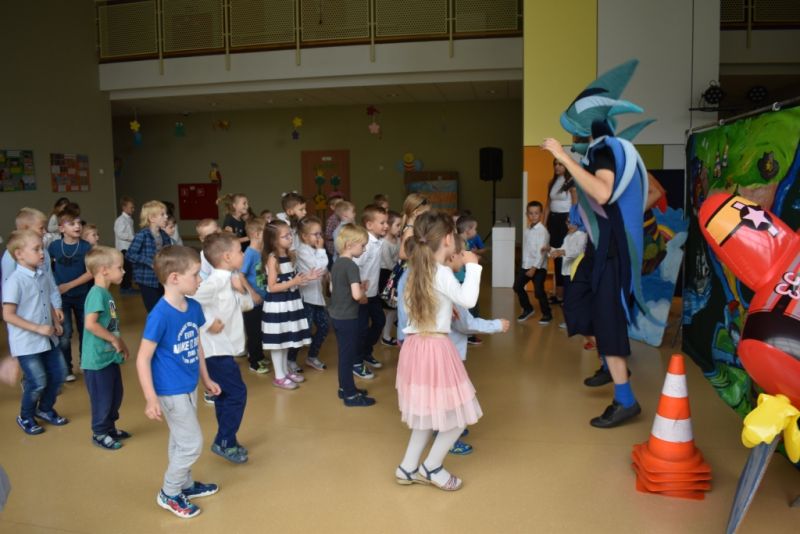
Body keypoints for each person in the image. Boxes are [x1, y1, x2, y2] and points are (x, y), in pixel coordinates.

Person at [541, 59, 651, 428]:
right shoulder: (601, 151)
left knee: (608, 319)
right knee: (575, 301)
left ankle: (625, 399)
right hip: (599, 248)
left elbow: (603, 193)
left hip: (614, 252)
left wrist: (561, 157)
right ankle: (608, 360)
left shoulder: (606, 150)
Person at [394, 212, 482, 491]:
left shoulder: (416, 270)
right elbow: (468, 299)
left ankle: (407, 468)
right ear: (447, 239)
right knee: (457, 417)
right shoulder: (441, 272)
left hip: (415, 347)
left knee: (425, 414)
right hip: (434, 349)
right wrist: (473, 266)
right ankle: (431, 467)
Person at [134, 245, 221, 519]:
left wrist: (206, 378)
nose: (200, 279)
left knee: (180, 438)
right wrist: (150, 398)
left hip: (188, 384)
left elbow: (197, 343)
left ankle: (185, 484)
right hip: (169, 390)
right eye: (195, 274)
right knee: (191, 443)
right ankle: (170, 492)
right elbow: (143, 358)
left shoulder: (193, 307)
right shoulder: (160, 315)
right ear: (174, 278)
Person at [190, 233, 253, 464]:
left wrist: (240, 289)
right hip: (215, 350)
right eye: (239, 251)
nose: (243, 254)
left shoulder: (232, 279)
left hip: (226, 348)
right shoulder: (215, 281)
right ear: (227, 256)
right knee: (237, 394)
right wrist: (207, 323)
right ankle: (224, 441)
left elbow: (247, 305)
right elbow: (188, 298)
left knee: (224, 395)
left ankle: (227, 438)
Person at [3, 229, 68, 435]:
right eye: (36, 249)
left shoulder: (42, 275)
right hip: (27, 343)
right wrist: (38, 328)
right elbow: (8, 315)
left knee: (59, 375)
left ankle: (45, 409)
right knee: (38, 382)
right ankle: (26, 416)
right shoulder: (15, 281)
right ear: (19, 254)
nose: (42, 253)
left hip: (49, 339)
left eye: (42, 248)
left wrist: (54, 320)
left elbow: (45, 299)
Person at [261, 220, 320, 390]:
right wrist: (293, 282)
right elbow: (272, 287)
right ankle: (279, 376)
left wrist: (305, 278)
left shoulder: (290, 255)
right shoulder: (272, 259)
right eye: (285, 236)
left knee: (286, 339)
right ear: (274, 240)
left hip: (290, 302)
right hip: (278, 305)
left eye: (290, 235)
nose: (290, 238)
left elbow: (290, 280)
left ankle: (285, 371)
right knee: (277, 342)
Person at [81, 246, 130, 450]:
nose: (124, 271)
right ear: (104, 270)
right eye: (120, 267)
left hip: (108, 357)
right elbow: (90, 324)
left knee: (115, 394)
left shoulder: (106, 294)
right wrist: (115, 340)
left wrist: (120, 343)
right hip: (96, 361)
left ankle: (109, 427)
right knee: (102, 398)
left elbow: (110, 325)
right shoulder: (96, 294)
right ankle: (99, 432)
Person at [329, 224, 374, 407]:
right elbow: (356, 296)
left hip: (336, 316)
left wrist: (358, 289)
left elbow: (334, 289)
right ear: (350, 244)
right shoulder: (352, 266)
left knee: (344, 355)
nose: (364, 249)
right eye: (362, 246)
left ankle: (344, 388)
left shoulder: (337, 263)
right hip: (348, 318)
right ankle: (350, 395)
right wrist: (363, 292)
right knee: (348, 356)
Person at [49, 203, 93, 381]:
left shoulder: (86, 247)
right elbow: (47, 270)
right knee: (65, 333)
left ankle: (85, 362)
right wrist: (55, 288)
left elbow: (90, 273)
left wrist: (68, 285)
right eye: (72, 223)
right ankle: (66, 368)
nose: (77, 226)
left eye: (79, 222)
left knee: (85, 330)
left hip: (83, 296)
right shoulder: (54, 246)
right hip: (62, 299)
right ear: (61, 228)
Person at [2, 209, 63, 325]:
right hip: (25, 316)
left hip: (45, 312)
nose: (45, 231)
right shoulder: (10, 256)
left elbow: (49, 280)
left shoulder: (44, 252)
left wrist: (56, 305)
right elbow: (7, 287)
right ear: (25, 229)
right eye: (41, 228)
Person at [289, 216, 329, 373]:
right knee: (303, 330)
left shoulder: (313, 249)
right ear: (304, 236)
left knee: (324, 326)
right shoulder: (302, 251)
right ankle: (290, 359)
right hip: (306, 298)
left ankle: (312, 356)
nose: (319, 237)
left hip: (317, 297)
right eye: (315, 234)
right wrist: (321, 250)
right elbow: (319, 268)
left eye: (320, 233)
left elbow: (323, 269)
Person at [353, 204, 388, 379]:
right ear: (369, 225)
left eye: (387, 222)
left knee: (379, 321)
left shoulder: (378, 241)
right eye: (382, 223)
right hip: (361, 295)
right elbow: (354, 268)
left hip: (373, 294)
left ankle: (366, 351)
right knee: (360, 330)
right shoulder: (365, 244)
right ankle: (356, 362)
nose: (386, 226)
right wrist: (360, 292)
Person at [126, 200, 172, 312]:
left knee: (164, 307)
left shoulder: (164, 235)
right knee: (153, 309)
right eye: (162, 214)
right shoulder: (142, 235)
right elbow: (130, 254)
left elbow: (168, 253)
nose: (166, 217)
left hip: (162, 278)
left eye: (166, 214)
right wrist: (149, 262)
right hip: (146, 280)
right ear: (152, 218)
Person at [543, 159, 577, 304]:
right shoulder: (552, 182)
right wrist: (544, 224)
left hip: (565, 221)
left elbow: (575, 204)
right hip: (553, 220)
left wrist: (572, 223)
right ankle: (559, 294)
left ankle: (566, 295)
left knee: (565, 255)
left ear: (565, 165)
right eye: (555, 164)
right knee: (556, 255)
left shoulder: (571, 182)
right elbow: (547, 204)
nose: (557, 167)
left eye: (560, 164)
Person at [549, 206, 587, 330]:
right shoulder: (568, 236)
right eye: (568, 222)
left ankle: (574, 322)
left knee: (572, 300)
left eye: (573, 222)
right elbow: (561, 249)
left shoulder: (582, 235)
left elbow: (577, 251)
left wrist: (562, 252)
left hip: (575, 273)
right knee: (568, 299)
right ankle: (572, 321)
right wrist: (550, 250)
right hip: (566, 273)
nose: (570, 225)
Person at [514, 201, 552, 325]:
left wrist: (534, 268)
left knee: (539, 292)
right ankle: (528, 308)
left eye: (536, 213)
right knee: (517, 286)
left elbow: (542, 253)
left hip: (538, 267)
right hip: (526, 265)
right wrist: (524, 265)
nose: (533, 216)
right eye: (531, 213)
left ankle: (547, 314)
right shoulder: (527, 230)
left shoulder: (543, 231)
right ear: (527, 214)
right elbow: (527, 249)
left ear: (541, 214)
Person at [240, 217, 270, 374]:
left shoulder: (261, 252)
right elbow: (241, 275)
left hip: (263, 298)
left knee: (261, 330)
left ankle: (259, 355)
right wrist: (252, 293)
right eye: (266, 231)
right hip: (253, 301)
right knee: (254, 332)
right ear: (257, 234)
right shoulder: (250, 253)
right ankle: (254, 362)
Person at [379, 210, 402, 346]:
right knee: (391, 308)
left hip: (395, 274)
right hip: (386, 275)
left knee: (394, 307)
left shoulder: (398, 240)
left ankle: (390, 330)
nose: (400, 228)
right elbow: (389, 264)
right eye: (397, 225)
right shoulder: (384, 243)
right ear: (389, 226)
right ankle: (386, 337)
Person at [114, 196, 137, 294]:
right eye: (131, 207)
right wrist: (133, 237)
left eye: (133, 207)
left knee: (129, 268)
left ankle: (128, 286)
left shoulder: (129, 219)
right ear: (124, 207)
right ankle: (125, 288)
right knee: (126, 268)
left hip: (129, 247)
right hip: (123, 248)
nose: (133, 209)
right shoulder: (120, 220)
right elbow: (120, 234)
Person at [323, 194, 343, 266]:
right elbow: (327, 234)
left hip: (341, 244)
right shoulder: (332, 219)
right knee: (334, 262)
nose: (342, 206)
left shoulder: (343, 217)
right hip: (332, 246)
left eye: (343, 204)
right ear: (332, 207)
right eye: (339, 205)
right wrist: (337, 236)